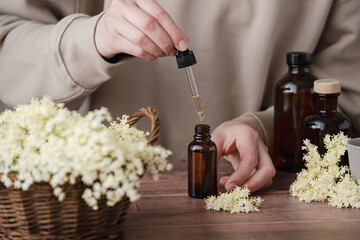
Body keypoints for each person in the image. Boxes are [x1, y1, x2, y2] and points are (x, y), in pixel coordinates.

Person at [1, 0, 359, 193]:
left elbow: (348, 92)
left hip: (268, 200)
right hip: (95, 204)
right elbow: (7, 50)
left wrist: (263, 126)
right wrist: (94, 40)